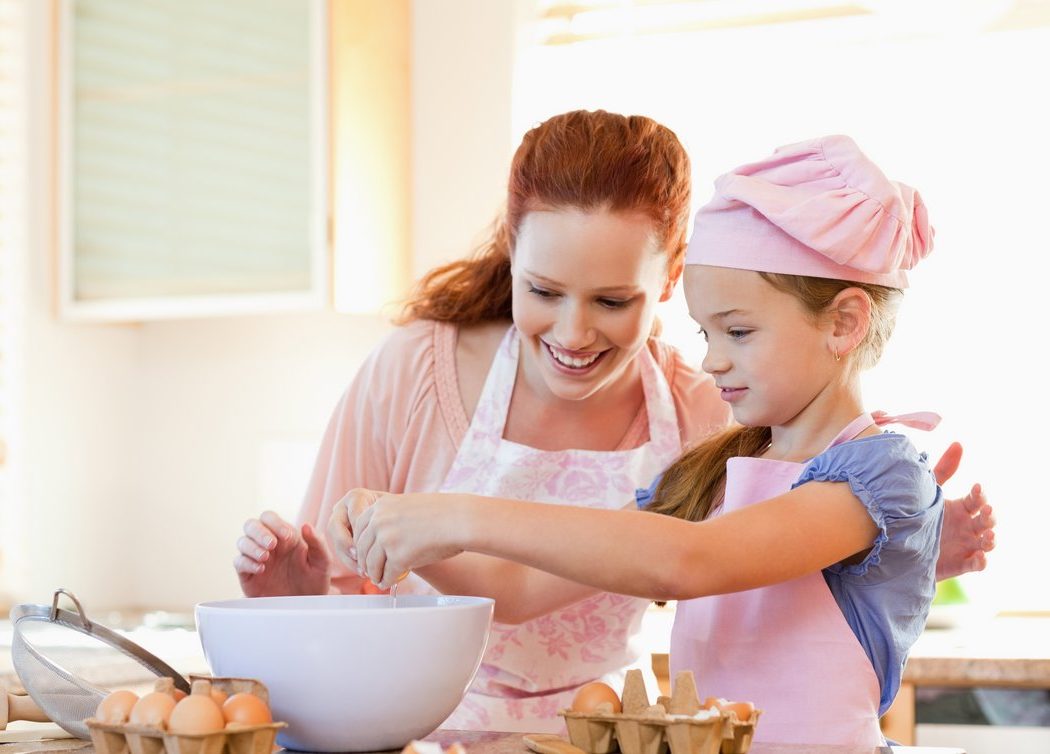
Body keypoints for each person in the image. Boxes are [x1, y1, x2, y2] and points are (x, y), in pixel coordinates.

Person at [233, 113, 993, 732]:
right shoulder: (416, 371)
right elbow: (527, 590)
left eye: (611, 301)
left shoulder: (751, 433)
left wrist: (447, 513)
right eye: (544, 290)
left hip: (615, 734)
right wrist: (378, 545)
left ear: (666, 277)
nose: (572, 333)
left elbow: (689, 560)